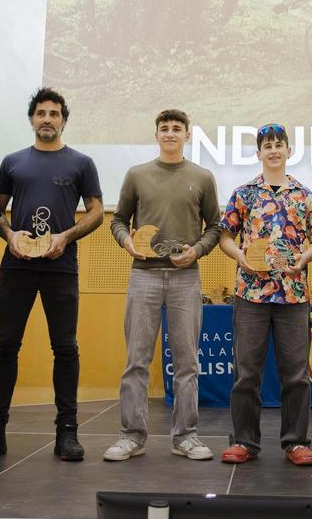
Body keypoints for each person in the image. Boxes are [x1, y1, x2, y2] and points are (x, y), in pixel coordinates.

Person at [0, 88, 104, 464]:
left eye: (54, 113)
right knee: (5, 347)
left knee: (66, 348)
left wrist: (66, 235)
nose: (47, 119)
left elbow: (96, 212)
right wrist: (9, 235)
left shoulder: (81, 163)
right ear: (32, 119)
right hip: (16, 267)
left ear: (63, 120)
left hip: (61, 267)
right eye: (41, 113)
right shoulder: (12, 162)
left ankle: (67, 433)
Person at [105, 109, 221, 462]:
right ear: (156, 135)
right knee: (136, 360)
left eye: (177, 128)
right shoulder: (137, 175)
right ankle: (131, 436)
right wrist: (127, 242)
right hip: (144, 275)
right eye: (164, 129)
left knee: (187, 363)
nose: (170, 133)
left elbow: (214, 227)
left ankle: (185, 437)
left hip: (186, 278)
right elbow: (119, 221)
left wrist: (197, 251)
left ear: (187, 135)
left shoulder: (202, 177)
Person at [218, 123, 312, 466]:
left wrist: (303, 258)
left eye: (279, 144)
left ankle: (296, 442)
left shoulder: (305, 196)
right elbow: (225, 237)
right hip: (250, 293)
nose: (274, 150)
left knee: (296, 374)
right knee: (246, 373)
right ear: (258, 153)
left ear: (288, 151)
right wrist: (239, 257)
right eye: (267, 145)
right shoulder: (243, 194)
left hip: (293, 295)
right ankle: (244, 442)